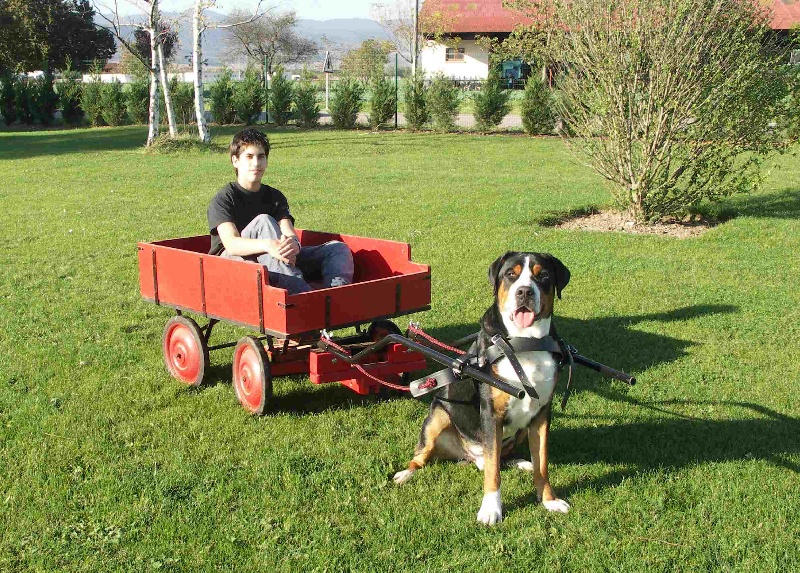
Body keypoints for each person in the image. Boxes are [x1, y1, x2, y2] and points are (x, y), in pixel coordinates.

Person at [207, 128, 354, 294]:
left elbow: (289, 233)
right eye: (249, 157)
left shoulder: (274, 196)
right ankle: (305, 297)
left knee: (337, 249)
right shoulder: (224, 198)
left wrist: (293, 245)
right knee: (264, 221)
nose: (256, 163)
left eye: (261, 156)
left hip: (275, 256)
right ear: (235, 161)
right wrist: (269, 245)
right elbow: (232, 244)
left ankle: (334, 296)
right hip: (232, 264)